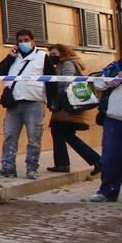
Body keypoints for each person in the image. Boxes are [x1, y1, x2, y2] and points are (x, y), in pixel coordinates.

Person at [0, 29, 47, 179]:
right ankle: (8, 168)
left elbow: (51, 79)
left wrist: (52, 100)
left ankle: (32, 168)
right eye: (20, 41)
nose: (23, 43)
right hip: (14, 103)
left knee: (34, 137)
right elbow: (0, 71)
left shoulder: (42, 57)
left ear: (33, 41)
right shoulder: (13, 56)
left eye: (26, 40)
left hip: (34, 102)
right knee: (9, 136)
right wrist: (10, 57)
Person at [45, 44, 101, 175]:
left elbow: (67, 82)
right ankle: (96, 161)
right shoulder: (64, 63)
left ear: (63, 53)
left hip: (66, 106)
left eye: (54, 54)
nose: (51, 57)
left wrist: (53, 91)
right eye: (50, 55)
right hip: (67, 106)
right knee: (68, 135)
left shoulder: (67, 64)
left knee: (58, 131)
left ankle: (63, 164)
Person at [90, 59, 122, 202]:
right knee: (111, 157)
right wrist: (113, 80)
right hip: (114, 118)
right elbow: (98, 83)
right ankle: (107, 192)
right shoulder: (115, 66)